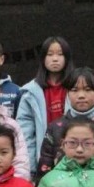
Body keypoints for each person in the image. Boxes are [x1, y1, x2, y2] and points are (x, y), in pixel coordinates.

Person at [36, 66, 94, 183]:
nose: (81, 95)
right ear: (67, 93)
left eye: (88, 89)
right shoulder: (56, 127)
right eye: (74, 90)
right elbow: (45, 168)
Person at [16, 36, 75, 177]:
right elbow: (25, 134)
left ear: (67, 58)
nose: (55, 59)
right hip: (43, 157)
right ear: (42, 58)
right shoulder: (30, 92)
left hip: (74, 154)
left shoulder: (77, 87)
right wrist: (29, 166)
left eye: (60, 54)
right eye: (50, 54)